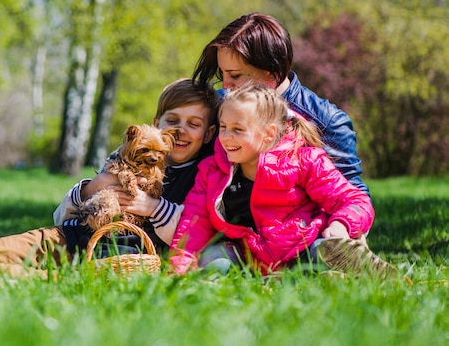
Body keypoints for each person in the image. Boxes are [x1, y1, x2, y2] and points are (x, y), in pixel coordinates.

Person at [0, 78, 219, 278]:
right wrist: (93, 186)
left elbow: (192, 237)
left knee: (3, 274)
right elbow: (61, 213)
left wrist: (152, 207)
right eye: (172, 120)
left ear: (208, 133)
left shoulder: (203, 175)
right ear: (156, 124)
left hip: (116, 261)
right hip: (68, 237)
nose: (180, 131)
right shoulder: (126, 153)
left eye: (193, 124)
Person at [169, 83, 396, 277]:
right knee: (213, 259)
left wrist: (341, 224)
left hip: (302, 249)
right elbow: (193, 225)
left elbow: (354, 199)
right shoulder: (212, 171)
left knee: (323, 251)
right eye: (224, 128)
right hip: (250, 259)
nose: (226, 138)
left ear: (268, 133)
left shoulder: (304, 160)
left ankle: (354, 272)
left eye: (238, 129)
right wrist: (178, 270)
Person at [192, 12, 369, 194]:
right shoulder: (215, 105)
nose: (226, 86)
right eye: (223, 74)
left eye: (235, 75)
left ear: (272, 73)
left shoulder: (328, 122)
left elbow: (353, 199)